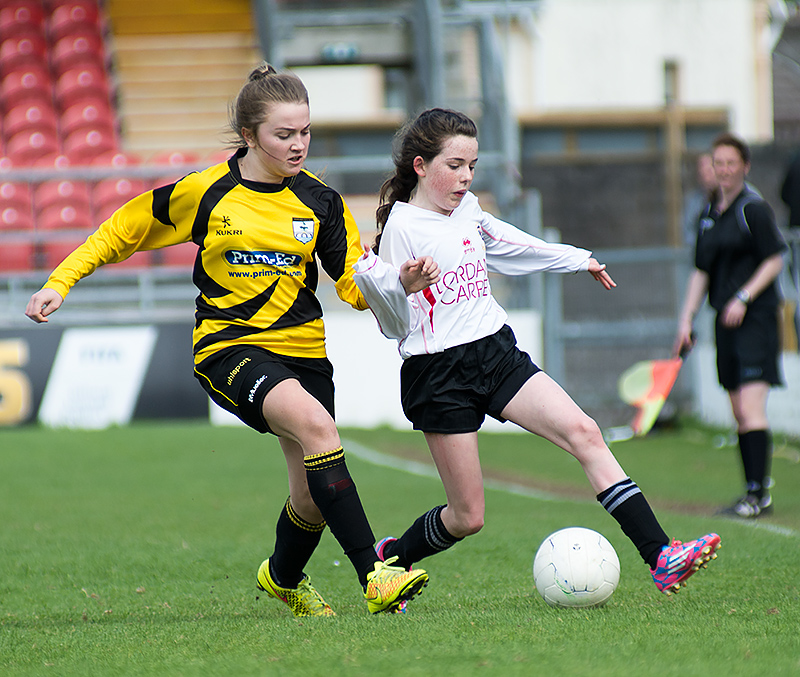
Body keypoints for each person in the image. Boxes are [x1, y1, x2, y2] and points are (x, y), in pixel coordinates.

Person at [24, 62, 433, 617]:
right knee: (319, 428)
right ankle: (374, 576)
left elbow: (352, 286)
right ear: (249, 135)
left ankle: (283, 578)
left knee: (311, 497)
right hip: (229, 347)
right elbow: (121, 230)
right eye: (282, 134)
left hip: (305, 352)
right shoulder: (206, 192)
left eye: (305, 132)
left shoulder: (321, 201)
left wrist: (397, 285)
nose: (297, 145)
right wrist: (59, 282)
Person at [353, 107, 720, 596]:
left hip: (494, 352)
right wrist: (403, 284)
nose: (465, 178)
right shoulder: (402, 227)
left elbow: (504, 241)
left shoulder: (466, 208)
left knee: (585, 432)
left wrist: (575, 258)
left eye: (472, 166)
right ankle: (392, 558)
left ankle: (661, 557)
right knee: (468, 516)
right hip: (438, 371)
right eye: (454, 165)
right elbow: (392, 323)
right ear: (420, 166)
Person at [675, 132, 787, 518]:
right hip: (724, 323)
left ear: (745, 166)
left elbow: (774, 259)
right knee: (739, 411)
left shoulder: (752, 209)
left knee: (752, 408)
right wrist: (686, 319)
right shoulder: (709, 214)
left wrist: (744, 296)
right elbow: (700, 271)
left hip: (755, 320)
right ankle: (752, 492)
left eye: (730, 163)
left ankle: (758, 495)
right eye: (717, 163)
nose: (723, 170)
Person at [683, 153, 718, 247]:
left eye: (708, 170)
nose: (705, 176)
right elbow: (688, 230)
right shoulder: (694, 201)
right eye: (701, 171)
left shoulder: (734, 198)